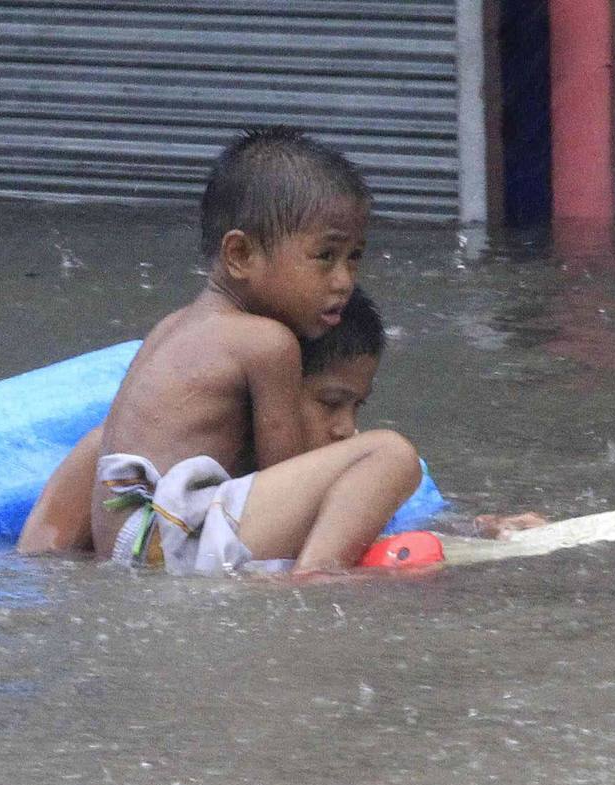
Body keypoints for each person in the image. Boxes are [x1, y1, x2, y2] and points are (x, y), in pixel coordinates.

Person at [87, 126, 419, 574]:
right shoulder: (268, 343)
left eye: (354, 257)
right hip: (166, 543)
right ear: (240, 254)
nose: (344, 280)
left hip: (129, 540)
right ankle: (318, 576)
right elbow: (291, 473)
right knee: (391, 455)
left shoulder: (173, 326)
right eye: (325, 256)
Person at [19, 286, 388, 558]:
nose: (344, 428)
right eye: (331, 403)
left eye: (357, 407)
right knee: (390, 454)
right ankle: (317, 578)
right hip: (166, 561)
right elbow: (39, 565)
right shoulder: (120, 455)